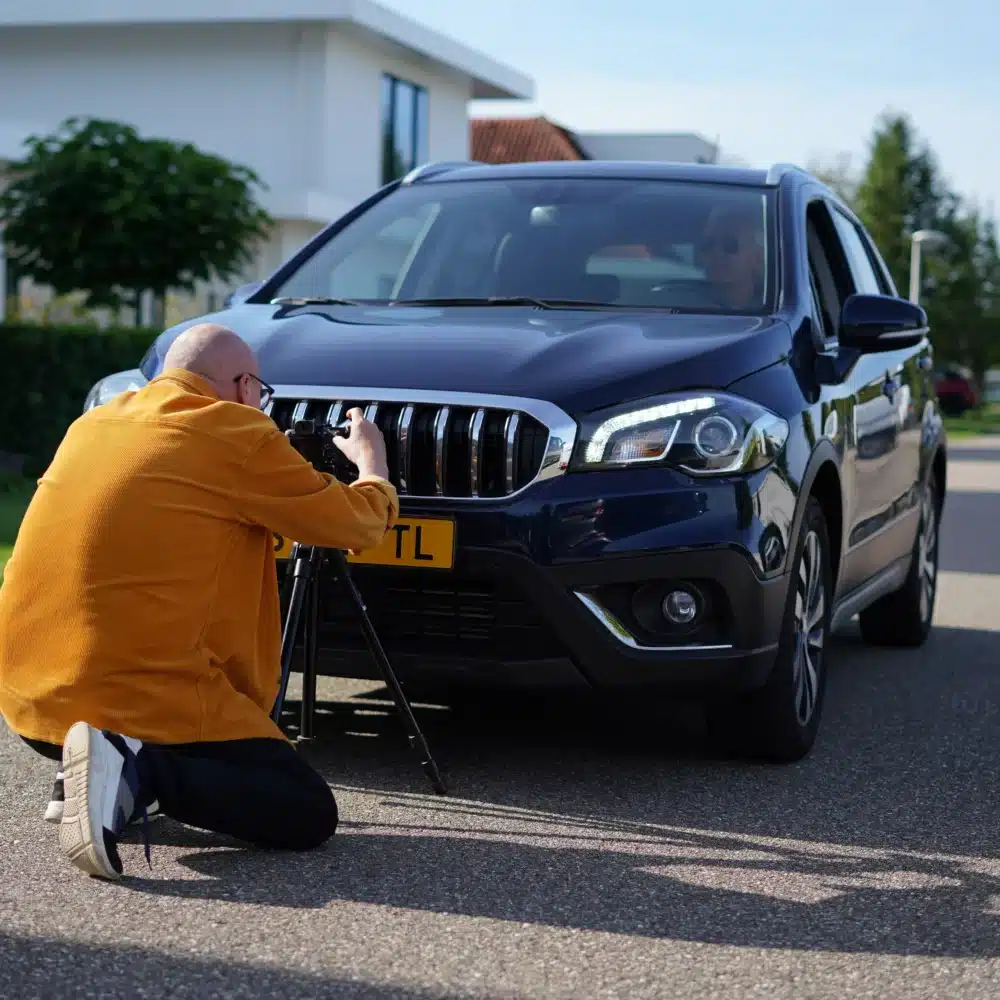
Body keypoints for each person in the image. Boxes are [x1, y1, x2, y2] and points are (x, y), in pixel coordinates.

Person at [0, 322, 398, 881]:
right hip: (137, 699)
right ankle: (138, 768)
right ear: (244, 386)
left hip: (32, 703)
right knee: (304, 809)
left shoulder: (94, 423)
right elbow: (356, 524)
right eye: (260, 391)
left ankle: (94, 772)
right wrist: (372, 467)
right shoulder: (236, 431)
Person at [697, 202, 767, 310]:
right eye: (708, 244)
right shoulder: (683, 304)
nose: (715, 252)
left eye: (730, 244)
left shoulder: (780, 308)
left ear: (758, 257)